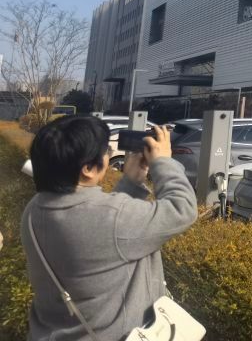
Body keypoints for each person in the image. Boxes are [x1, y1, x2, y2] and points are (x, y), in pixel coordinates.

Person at [21, 115, 197, 341]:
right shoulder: (113, 218)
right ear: (88, 168)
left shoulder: (34, 210)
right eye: (106, 151)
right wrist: (163, 162)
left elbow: (103, 234)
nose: (110, 153)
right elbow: (182, 209)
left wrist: (130, 183)